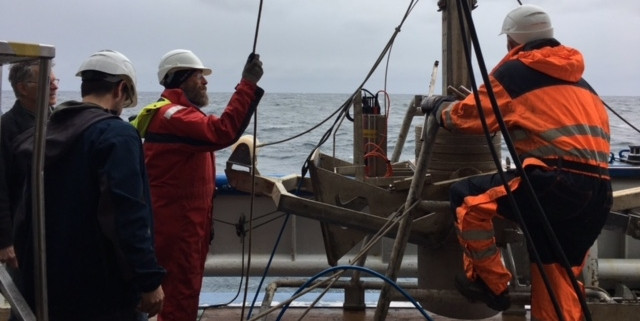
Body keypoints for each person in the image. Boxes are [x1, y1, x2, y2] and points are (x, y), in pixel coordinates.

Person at [422, 4, 612, 321]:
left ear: (512, 43)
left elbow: (470, 116)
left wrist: (441, 108)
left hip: (554, 184)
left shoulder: (516, 72)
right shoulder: (582, 85)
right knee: (557, 282)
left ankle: (491, 285)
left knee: (468, 201)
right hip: (596, 196)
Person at [11, 50, 166, 321]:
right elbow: (127, 215)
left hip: (48, 284)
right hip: (103, 291)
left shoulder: (46, 131)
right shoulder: (118, 135)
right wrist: (149, 279)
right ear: (121, 89)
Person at [130, 49, 264, 321]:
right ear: (180, 79)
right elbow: (222, 131)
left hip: (186, 226)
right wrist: (247, 84)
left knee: (182, 297)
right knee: (179, 299)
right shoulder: (175, 116)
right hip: (178, 231)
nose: (205, 81)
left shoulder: (177, 115)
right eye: (198, 76)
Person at [0, 60, 59, 270]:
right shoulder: (6, 127)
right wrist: (5, 241)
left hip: (56, 229)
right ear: (22, 88)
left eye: (54, 80)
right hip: (23, 232)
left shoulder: (60, 121)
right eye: (46, 81)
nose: (55, 86)